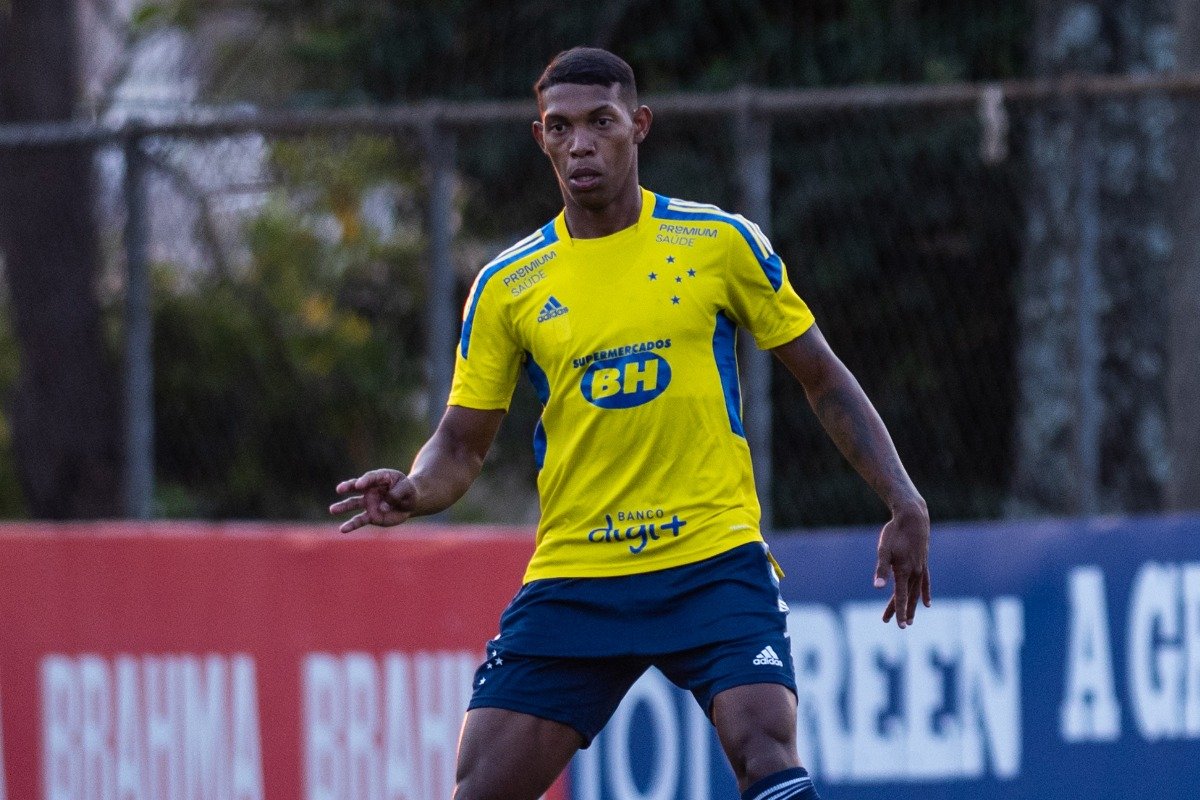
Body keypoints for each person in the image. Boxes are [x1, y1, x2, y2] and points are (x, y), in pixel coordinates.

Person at [331, 46, 931, 800]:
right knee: (480, 786)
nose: (580, 143)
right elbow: (461, 442)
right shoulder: (507, 285)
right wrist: (416, 488)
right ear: (540, 138)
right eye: (560, 127)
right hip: (580, 574)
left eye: (600, 122)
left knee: (766, 750)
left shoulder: (717, 243)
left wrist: (903, 499)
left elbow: (822, 376)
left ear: (638, 125)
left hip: (711, 561)